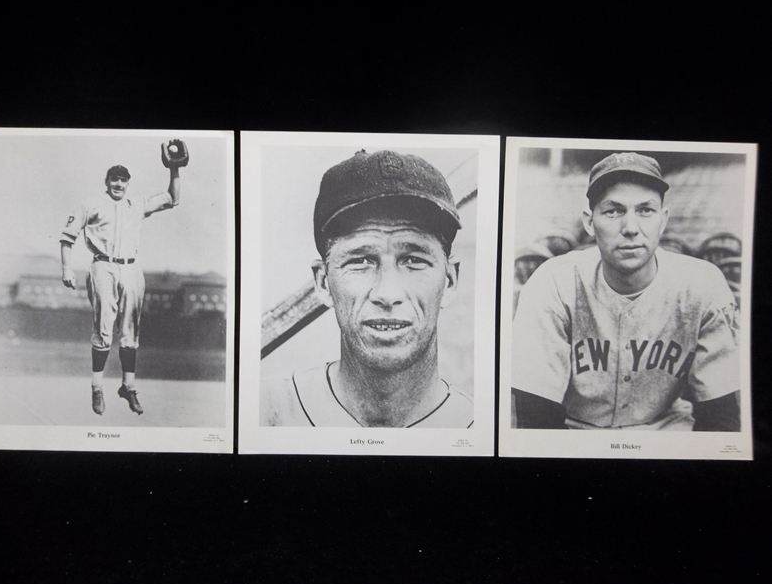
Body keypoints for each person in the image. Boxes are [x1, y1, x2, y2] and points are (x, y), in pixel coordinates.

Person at [511, 152, 740, 431]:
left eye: (645, 210)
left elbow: (721, 416)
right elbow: (536, 417)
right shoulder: (553, 282)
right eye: (613, 211)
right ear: (588, 222)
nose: (631, 228)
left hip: (664, 430)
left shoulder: (702, 284)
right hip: (574, 432)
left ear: (663, 220)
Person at [261, 149, 473, 428]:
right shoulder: (266, 416)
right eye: (361, 261)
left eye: (413, 260)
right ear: (323, 283)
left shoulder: (478, 428)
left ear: (449, 281)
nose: (388, 294)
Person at [59, 140, 187, 416]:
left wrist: (174, 170)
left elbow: (172, 199)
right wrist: (67, 268)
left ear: (128, 183)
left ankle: (127, 386)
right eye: (114, 180)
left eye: (123, 180)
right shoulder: (91, 203)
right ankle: (96, 387)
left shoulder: (135, 204)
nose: (118, 184)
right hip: (103, 266)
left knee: (130, 331)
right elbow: (67, 237)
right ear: (106, 182)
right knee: (104, 329)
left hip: (131, 268)